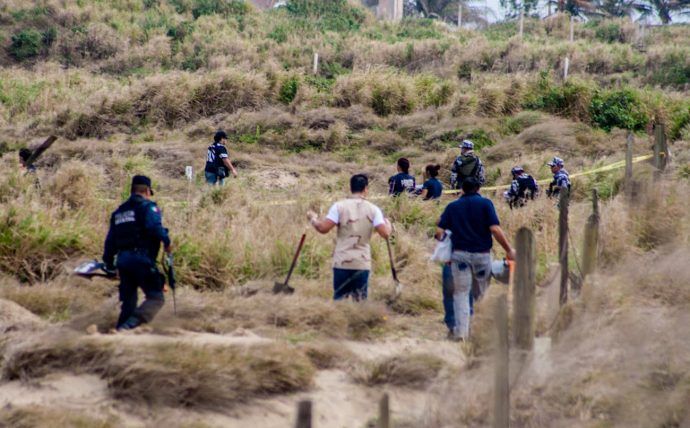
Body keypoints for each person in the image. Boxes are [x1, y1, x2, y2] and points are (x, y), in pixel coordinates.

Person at [436, 177, 515, 341]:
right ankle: (480, 332)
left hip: (460, 257)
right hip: (482, 256)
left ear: (462, 189)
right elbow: (494, 229)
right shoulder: (486, 204)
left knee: (461, 294)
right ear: (478, 189)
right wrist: (508, 249)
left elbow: (439, 232)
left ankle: (461, 334)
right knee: (481, 295)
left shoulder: (452, 206)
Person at [103, 175, 172, 331]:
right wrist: (167, 242)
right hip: (141, 259)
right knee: (156, 298)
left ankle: (119, 332)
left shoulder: (119, 212)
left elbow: (110, 242)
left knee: (129, 302)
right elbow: (154, 227)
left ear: (131, 190)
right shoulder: (148, 207)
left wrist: (109, 264)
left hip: (123, 261)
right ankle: (129, 327)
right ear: (147, 191)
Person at [307, 174, 392, 301]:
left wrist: (313, 219)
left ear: (350, 188)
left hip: (341, 262)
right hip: (362, 263)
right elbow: (385, 233)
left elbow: (323, 228)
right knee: (360, 303)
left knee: (339, 301)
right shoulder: (374, 210)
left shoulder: (339, 206)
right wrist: (388, 225)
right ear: (366, 189)